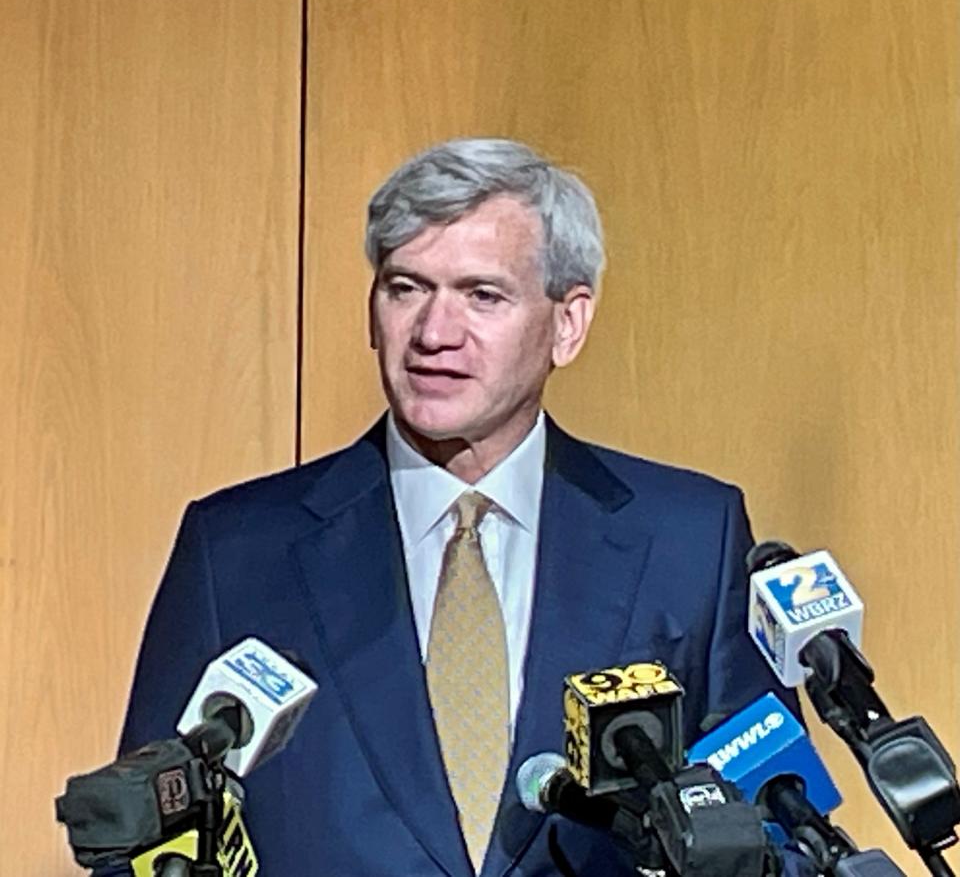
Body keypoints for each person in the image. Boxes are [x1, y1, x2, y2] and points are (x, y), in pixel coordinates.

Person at [118, 138, 798, 875]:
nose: (434, 335)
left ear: (567, 324)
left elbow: (776, 832)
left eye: (483, 295)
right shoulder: (237, 551)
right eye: (406, 289)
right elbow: (149, 846)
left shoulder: (690, 539)